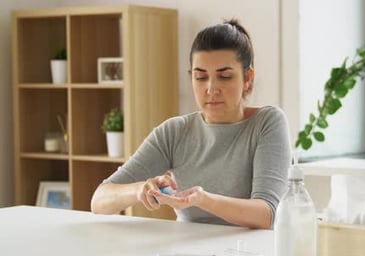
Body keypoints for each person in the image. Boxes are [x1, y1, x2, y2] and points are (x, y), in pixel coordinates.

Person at [90, 19, 292, 229]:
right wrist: (140, 189)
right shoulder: (174, 132)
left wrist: (203, 199)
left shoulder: (267, 123)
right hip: (189, 255)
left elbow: (267, 214)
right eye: (201, 77)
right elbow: (99, 201)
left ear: (247, 78)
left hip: (249, 254)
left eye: (224, 76)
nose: (211, 88)